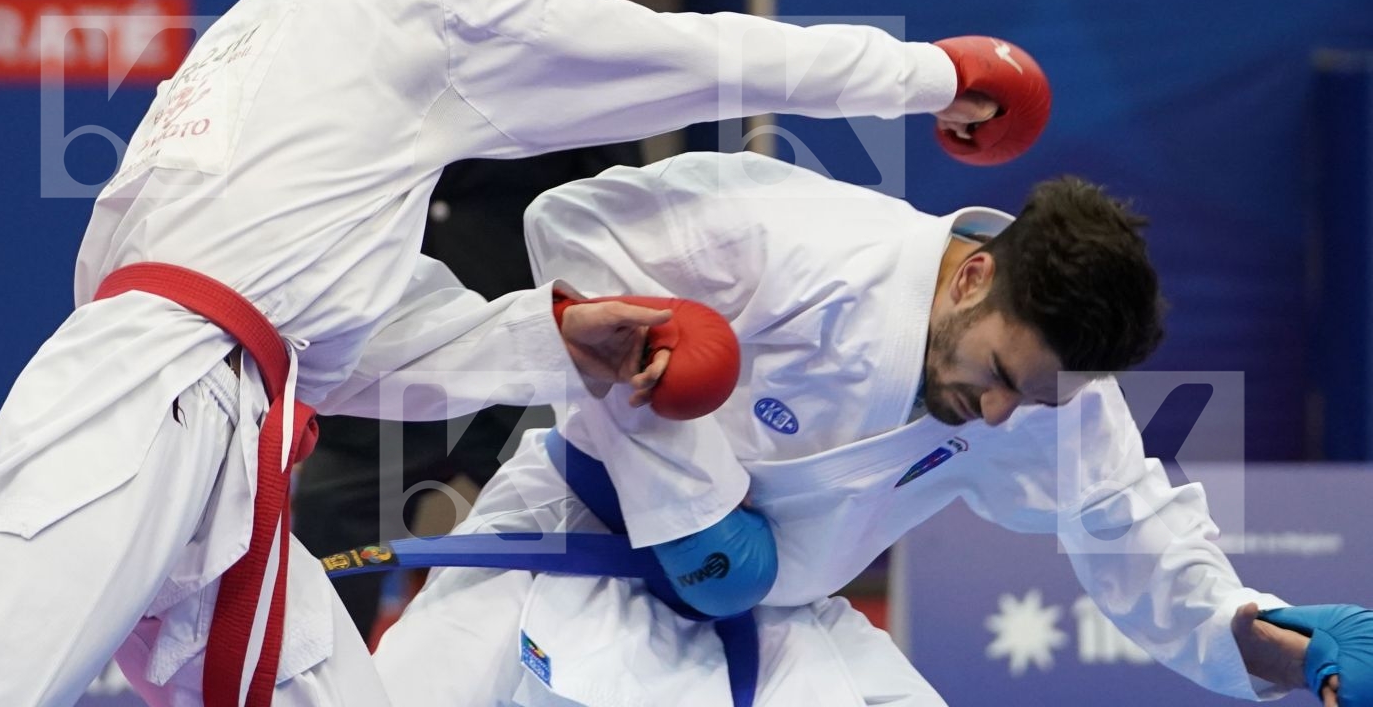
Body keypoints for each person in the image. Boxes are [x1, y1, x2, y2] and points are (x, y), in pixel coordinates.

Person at [0, 0, 1036, 707]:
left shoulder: (246, 47)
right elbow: (693, 55)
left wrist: (563, 334)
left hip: (208, 411)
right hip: (147, 412)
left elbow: (350, 338)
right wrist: (931, 74)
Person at [374, 153, 1368, 706]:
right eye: (997, 378)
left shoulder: (1053, 399)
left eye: (1032, 403)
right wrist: (688, 497)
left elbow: (1137, 542)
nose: (997, 417)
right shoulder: (796, 238)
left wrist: (1274, 642)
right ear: (975, 272)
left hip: (777, 624)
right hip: (573, 547)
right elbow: (571, 223)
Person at [291, 0, 640, 640]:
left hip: (511, 391)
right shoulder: (332, 19)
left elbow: (616, 216)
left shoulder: (552, 23)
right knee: (315, 611)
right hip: (365, 384)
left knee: (502, 632)